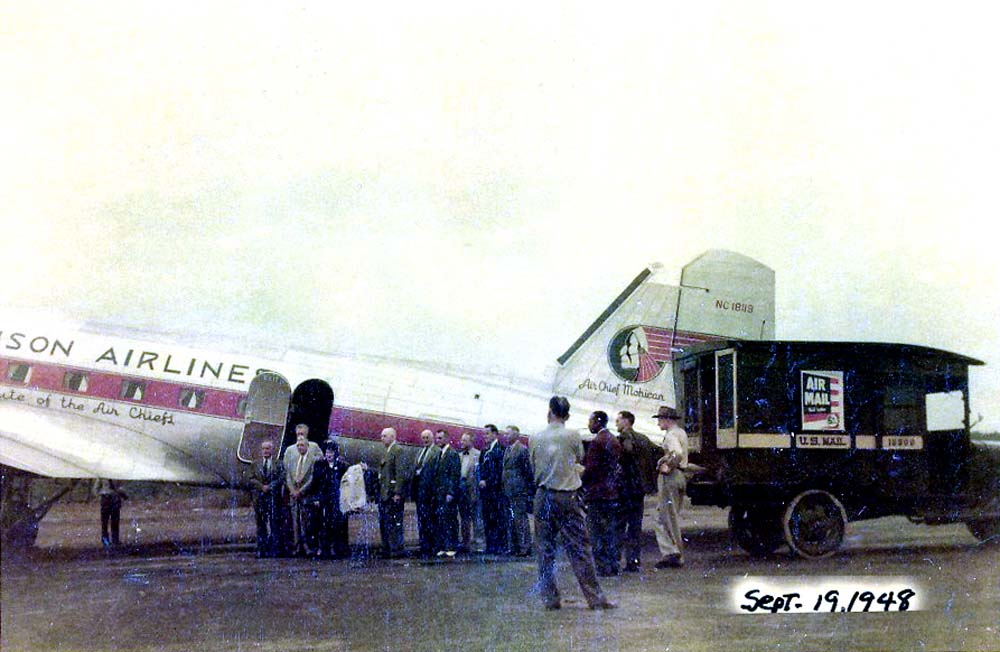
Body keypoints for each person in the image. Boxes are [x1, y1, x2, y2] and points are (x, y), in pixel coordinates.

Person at [530, 396, 616, 611]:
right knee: (579, 548)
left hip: (543, 495)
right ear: (567, 415)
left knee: (544, 549)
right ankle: (595, 598)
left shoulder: (534, 437)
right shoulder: (572, 435)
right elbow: (578, 458)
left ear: (549, 411)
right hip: (567, 496)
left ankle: (550, 599)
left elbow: (533, 466)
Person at [615, 410, 662, 572]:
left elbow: (627, 451)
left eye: (619, 420)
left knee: (619, 525)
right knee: (635, 526)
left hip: (625, 487)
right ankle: (633, 561)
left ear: (627, 421)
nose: (616, 423)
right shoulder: (644, 439)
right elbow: (659, 452)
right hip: (639, 489)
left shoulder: (624, 439)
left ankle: (615, 560)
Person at [582, 411, 624, 576]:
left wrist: (581, 479)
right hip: (611, 492)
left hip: (597, 493)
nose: (589, 424)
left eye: (590, 421)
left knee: (596, 532)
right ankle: (614, 564)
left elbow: (590, 469)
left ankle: (603, 567)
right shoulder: (613, 440)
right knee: (610, 531)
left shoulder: (597, 442)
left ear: (597, 422)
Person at [651, 406, 688, 568]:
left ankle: (672, 553)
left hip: (670, 477)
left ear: (667, 420)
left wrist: (669, 465)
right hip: (680, 476)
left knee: (664, 517)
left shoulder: (671, 435)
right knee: (669, 516)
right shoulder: (681, 433)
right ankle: (673, 552)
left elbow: (677, 453)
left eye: (660, 419)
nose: (658, 423)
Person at [283, 425, 323, 556]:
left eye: (302, 433)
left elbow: (316, 470)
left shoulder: (314, 447)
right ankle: (296, 547)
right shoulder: (290, 450)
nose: (300, 435)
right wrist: (292, 490)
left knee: (306, 522)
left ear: (307, 434)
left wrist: (302, 490)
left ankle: (307, 547)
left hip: (306, 493)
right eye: (298, 433)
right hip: (293, 493)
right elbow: (287, 472)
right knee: (295, 522)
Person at [313, 441, 350, 559]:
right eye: (327, 452)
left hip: (338, 500)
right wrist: (317, 498)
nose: (329, 455)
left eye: (331, 452)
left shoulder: (342, 466)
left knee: (339, 525)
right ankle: (325, 549)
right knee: (324, 525)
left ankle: (338, 549)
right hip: (324, 500)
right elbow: (316, 483)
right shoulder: (319, 465)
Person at [502, 425, 534, 556]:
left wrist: (526, 489)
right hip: (509, 489)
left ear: (516, 435)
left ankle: (525, 547)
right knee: (513, 519)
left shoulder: (521, 450)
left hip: (518, 489)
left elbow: (527, 471)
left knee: (520, 519)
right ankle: (515, 546)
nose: (505, 436)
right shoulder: (508, 450)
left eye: (508, 434)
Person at [250, 440, 284, 558]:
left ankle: (274, 549)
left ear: (272, 450)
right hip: (259, 499)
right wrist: (261, 487)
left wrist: (270, 487)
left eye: (268, 448)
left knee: (275, 524)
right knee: (261, 525)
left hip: (273, 498)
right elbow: (251, 479)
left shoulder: (278, 463)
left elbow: (281, 478)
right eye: (264, 449)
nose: (265, 451)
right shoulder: (255, 464)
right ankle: (261, 549)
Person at [478, 423, 506, 554]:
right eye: (484, 434)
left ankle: (499, 545)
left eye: (487, 433)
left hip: (496, 490)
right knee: (487, 518)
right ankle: (490, 545)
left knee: (497, 518)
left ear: (495, 434)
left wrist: (487, 482)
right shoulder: (484, 451)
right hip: (485, 492)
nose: (485, 436)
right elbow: (481, 469)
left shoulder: (500, 450)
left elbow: (499, 472)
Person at [378, 427, 406, 558]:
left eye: (384, 436)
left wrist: (398, 493)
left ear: (392, 437)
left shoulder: (398, 450)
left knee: (394, 523)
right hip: (385, 494)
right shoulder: (386, 451)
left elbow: (400, 473)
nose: (381, 438)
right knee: (385, 523)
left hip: (392, 494)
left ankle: (396, 549)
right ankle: (387, 548)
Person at [413, 429, 441, 557]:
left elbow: (437, 473)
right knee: (422, 520)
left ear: (432, 438)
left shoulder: (437, 452)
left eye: (427, 437)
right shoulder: (420, 452)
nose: (425, 440)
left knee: (431, 520)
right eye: (423, 438)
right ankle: (424, 545)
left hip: (430, 492)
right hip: (420, 492)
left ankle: (433, 546)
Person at [433, 429, 461, 557]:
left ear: (446, 439)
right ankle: (443, 546)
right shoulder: (440, 454)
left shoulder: (452, 454)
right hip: (439, 493)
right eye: (437, 438)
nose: (437, 440)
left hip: (447, 494)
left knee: (450, 520)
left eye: (439, 438)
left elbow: (454, 475)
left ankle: (451, 546)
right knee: (441, 520)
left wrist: (451, 492)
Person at [457, 432, 481, 553]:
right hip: (462, 489)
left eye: (464, 441)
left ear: (471, 441)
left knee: (476, 517)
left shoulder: (478, 455)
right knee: (464, 517)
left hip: (473, 489)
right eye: (461, 440)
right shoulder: (459, 455)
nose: (462, 443)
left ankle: (478, 544)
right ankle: (465, 543)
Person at [92, 478, 127, 547]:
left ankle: (111, 540)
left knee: (112, 521)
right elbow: (95, 489)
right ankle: (111, 540)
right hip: (108, 498)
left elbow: (96, 489)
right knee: (107, 521)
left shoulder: (114, 475)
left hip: (110, 498)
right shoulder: (105, 476)